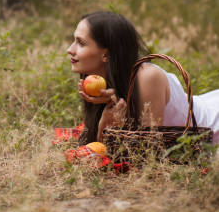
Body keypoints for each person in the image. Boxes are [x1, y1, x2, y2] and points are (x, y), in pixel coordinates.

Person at [66, 11, 219, 145]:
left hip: (212, 129)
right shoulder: (100, 80)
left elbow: (147, 153)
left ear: (106, 54)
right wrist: (107, 111)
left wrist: (106, 126)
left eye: (81, 43)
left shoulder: (148, 77)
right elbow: (100, 148)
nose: (70, 50)